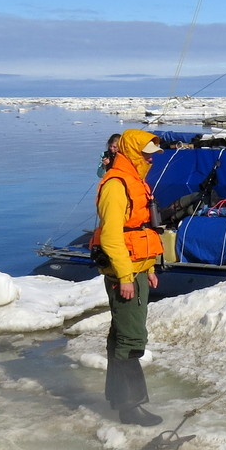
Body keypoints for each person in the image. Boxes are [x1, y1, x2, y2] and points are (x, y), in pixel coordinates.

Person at [91, 129, 164, 426]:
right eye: (146, 152)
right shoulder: (116, 185)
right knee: (130, 339)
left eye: (152, 153)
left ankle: (120, 399)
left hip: (136, 270)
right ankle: (129, 407)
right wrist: (124, 277)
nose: (150, 157)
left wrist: (148, 268)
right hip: (125, 274)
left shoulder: (136, 181)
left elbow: (139, 228)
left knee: (122, 335)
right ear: (131, 152)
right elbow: (110, 237)